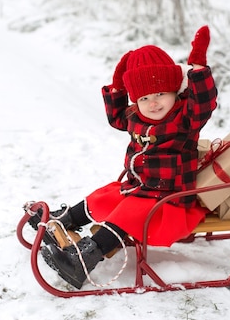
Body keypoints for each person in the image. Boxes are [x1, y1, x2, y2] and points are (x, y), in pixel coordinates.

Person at [26, 25, 218, 289]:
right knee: (107, 194)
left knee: (127, 212)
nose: (154, 103)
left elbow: (204, 103)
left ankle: (82, 260)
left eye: (161, 93)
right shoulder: (136, 117)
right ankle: (63, 221)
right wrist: (118, 86)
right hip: (140, 191)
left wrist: (197, 68)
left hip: (169, 204)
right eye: (145, 97)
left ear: (176, 91)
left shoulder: (185, 119)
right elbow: (116, 117)